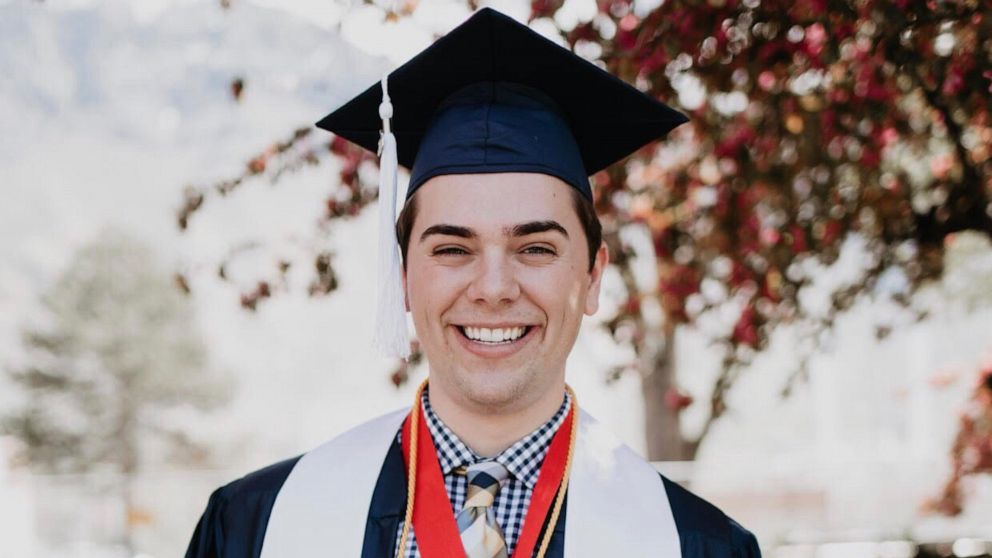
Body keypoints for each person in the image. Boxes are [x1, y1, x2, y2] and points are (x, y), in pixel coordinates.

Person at [186, 7, 761, 558]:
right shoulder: (260, 530)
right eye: (453, 249)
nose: (493, 287)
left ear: (592, 277)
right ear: (404, 277)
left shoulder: (692, 546)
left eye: (535, 248)